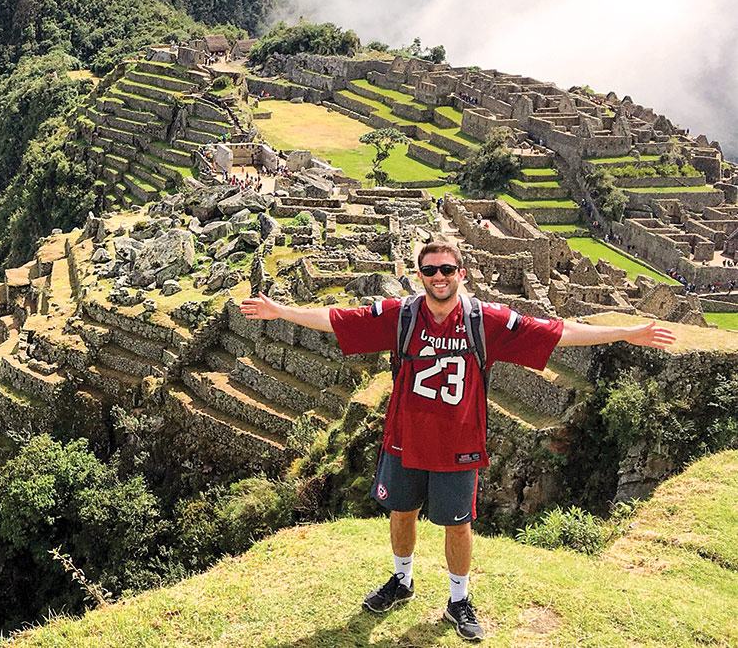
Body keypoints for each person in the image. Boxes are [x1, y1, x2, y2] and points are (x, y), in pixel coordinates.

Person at [239, 240, 675, 641]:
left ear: (461, 273)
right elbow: (339, 319)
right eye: (430, 270)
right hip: (404, 438)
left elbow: (556, 331)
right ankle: (402, 581)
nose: (439, 277)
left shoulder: (485, 321)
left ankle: (458, 600)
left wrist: (626, 332)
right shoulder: (403, 316)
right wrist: (282, 311)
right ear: (419, 275)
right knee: (401, 512)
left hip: (459, 443)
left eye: (447, 269)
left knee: (458, 525)